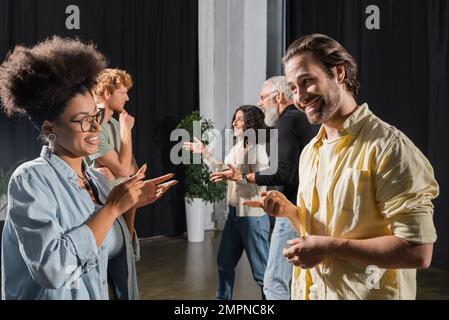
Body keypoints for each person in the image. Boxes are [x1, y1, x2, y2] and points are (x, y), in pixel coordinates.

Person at [244, 34, 439, 300]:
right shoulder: (312, 152)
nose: (300, 97)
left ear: (338, 72)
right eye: (293, 87)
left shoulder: (389, 148)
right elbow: (324, 230)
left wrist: (329, 248)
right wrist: (289, 211)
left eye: (307, 81)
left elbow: (418, 251)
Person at [0, 36, 177, 300]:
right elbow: (53, 270)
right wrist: (112, 208)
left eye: (95, 116)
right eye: (83, 120)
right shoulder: (31, 180)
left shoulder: (96, 180)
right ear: (50, 129)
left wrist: (129, 206)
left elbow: (118, 254)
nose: (96, 127)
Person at [210, 76, 316, 300]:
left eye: (262, 98)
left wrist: (243, 177)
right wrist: (206, 154)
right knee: (227, 265)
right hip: (240, 214)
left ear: (278, 97)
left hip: (275, 211)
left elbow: (282, 173)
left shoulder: (286, 123)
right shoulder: (298, 120)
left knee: (271, 281)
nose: (260, 103)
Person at [184, 105, 270, 300]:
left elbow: (260, 186)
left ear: (250, 123)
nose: (234, 123)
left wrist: (238, 177)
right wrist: (204, 152)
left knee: (261, 273)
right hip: (233, 217)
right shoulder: (238, 147)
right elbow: (223, 170)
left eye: (239, 119)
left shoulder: (259, 150)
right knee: (224, 264)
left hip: (252, 219)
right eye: (235, 119)